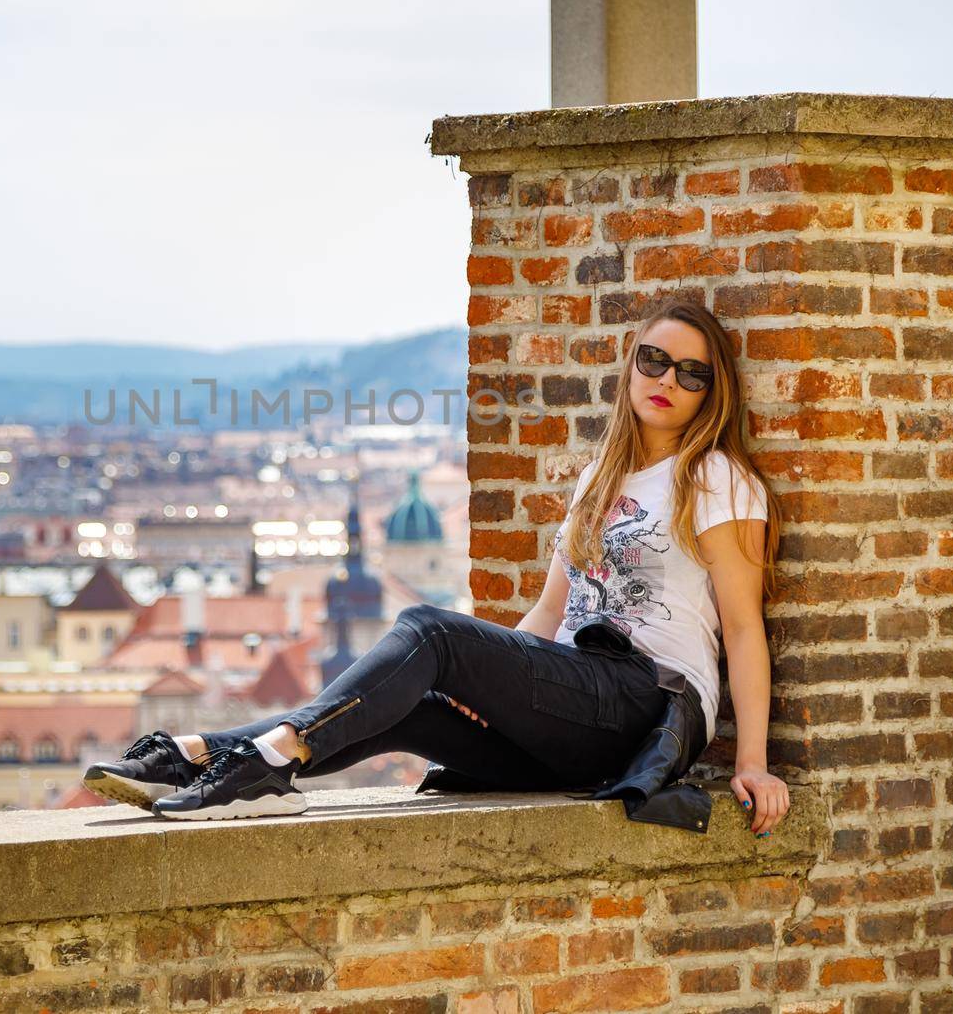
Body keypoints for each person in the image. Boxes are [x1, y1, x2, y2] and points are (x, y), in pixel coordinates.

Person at [83, 296, 790, 838]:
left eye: (692, 373)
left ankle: (260, 760)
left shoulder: (715, 477)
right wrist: (493, 684)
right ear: (631, 365)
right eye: (654, 360)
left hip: (644, 701)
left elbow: (742, 628)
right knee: (407, 711)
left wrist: (750, 761)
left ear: (711, 392)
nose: (668, 379)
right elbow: (549, 614)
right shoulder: (598, 480)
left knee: (430, 630)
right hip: (577, 714)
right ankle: (199, 757)